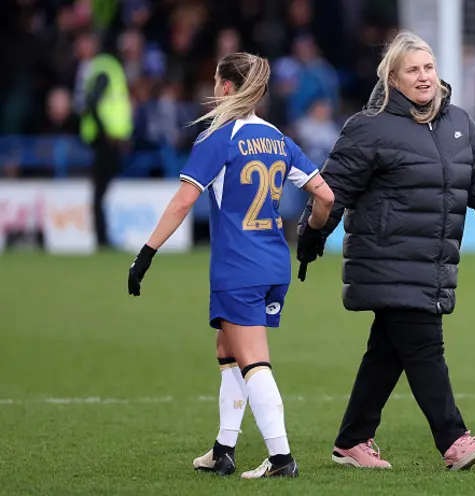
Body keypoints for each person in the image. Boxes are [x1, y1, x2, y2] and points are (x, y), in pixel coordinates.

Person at [297, 30, 475, 471]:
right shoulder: (369, 127)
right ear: (393, 80)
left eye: (429, 68)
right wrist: (313, 233)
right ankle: (454, 440)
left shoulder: (459, 123)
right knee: (423, 347)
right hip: (387, 260)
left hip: (430, 260)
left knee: (387, 351)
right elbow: (333, 188)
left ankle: (352, 441)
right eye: (412, 70)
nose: (424, 77)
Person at [127, 52, 335, 479]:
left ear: (225, 87)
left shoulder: (219, 137)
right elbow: (327, 197)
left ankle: (281, 459)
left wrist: (146, 252)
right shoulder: (279, 137)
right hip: (275, 264)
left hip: (238, 268)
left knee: (253, 359)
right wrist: (313, 232)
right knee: (227, 349)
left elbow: (185, 200)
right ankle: (223, 449)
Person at [79, 34, 133, 248]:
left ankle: (103, 237)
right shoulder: (107, 68)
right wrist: (105, 133)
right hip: (105, 141)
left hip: (106, 140)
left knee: (100, 190)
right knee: (100, 191)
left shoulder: (101, 67)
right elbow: (92, 102)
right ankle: (102, 239)